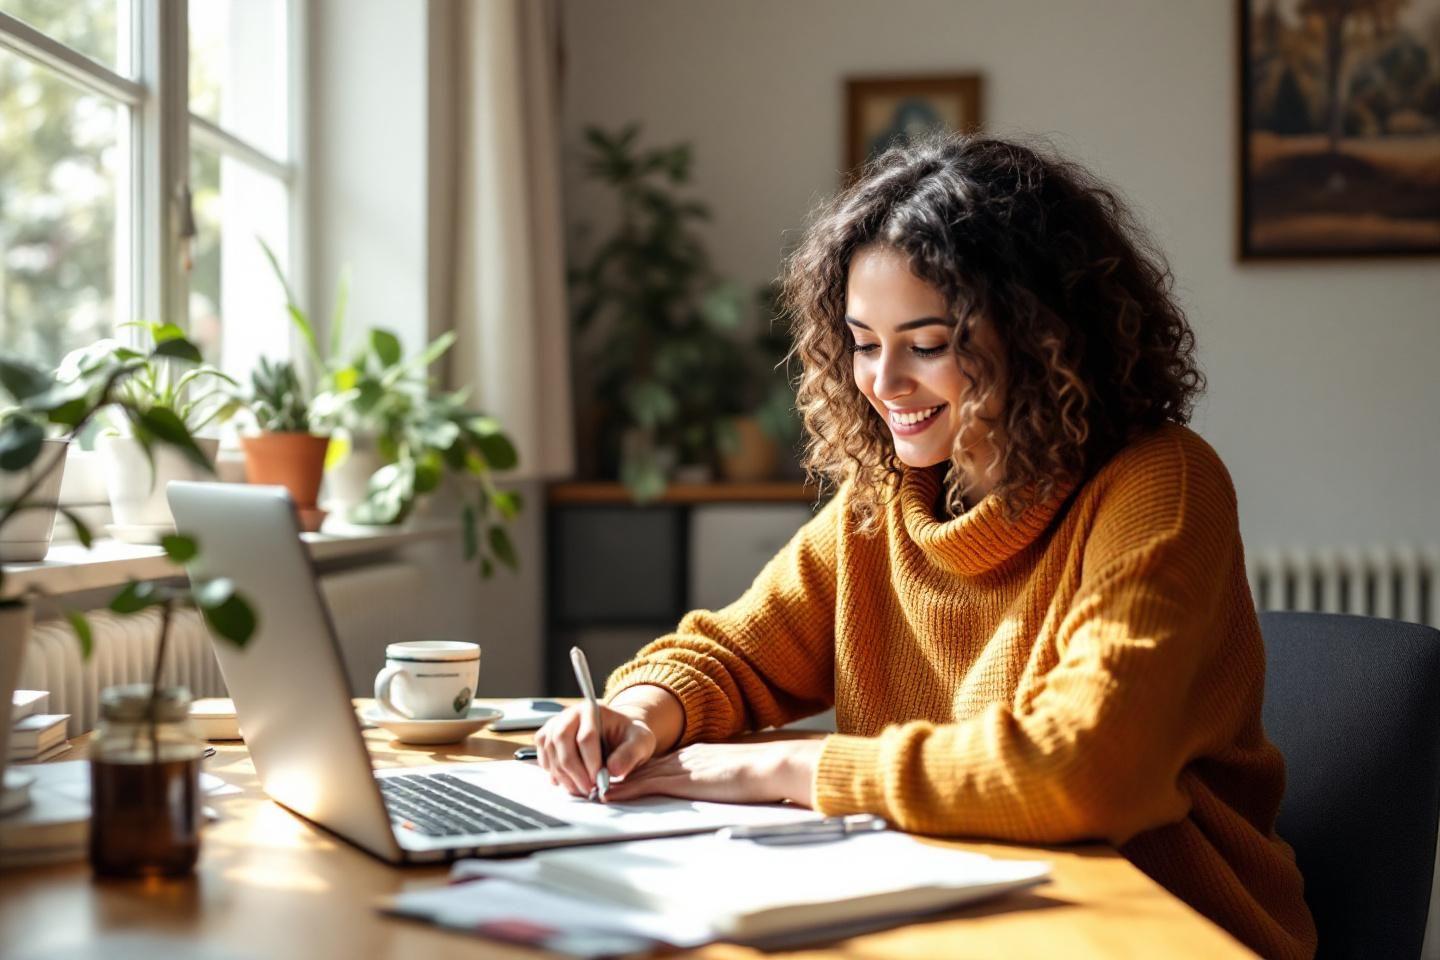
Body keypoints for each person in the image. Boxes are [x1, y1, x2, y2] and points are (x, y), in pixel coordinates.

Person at [536, 134, 1317, 960]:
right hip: (959, 913)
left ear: (1041, 335)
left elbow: (1085, 770)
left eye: (929, 343)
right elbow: (733, 654)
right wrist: (642, 712)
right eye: (864, 342)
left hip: (1157, 929)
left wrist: (783, 771)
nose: (883, 382)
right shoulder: (885, 504)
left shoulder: (1159, 485)